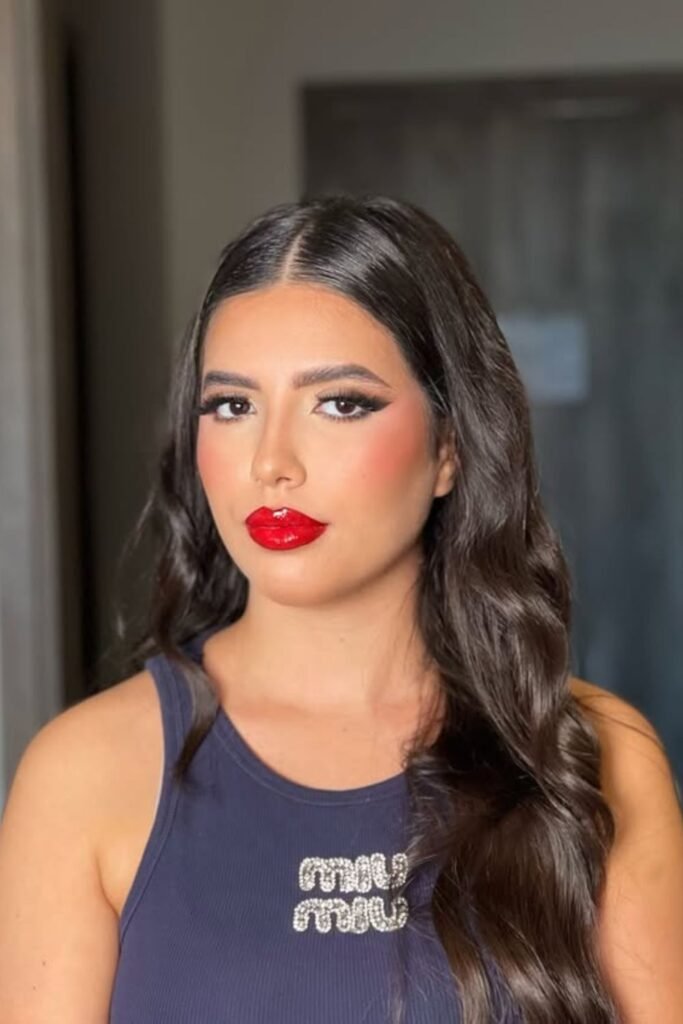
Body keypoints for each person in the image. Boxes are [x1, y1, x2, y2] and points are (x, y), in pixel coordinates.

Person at [1, 193, 682, 1023]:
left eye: (340, 403)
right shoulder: (82, 774)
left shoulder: (593, 756)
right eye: (232, 406)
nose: (272, 462)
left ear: (449, 447)